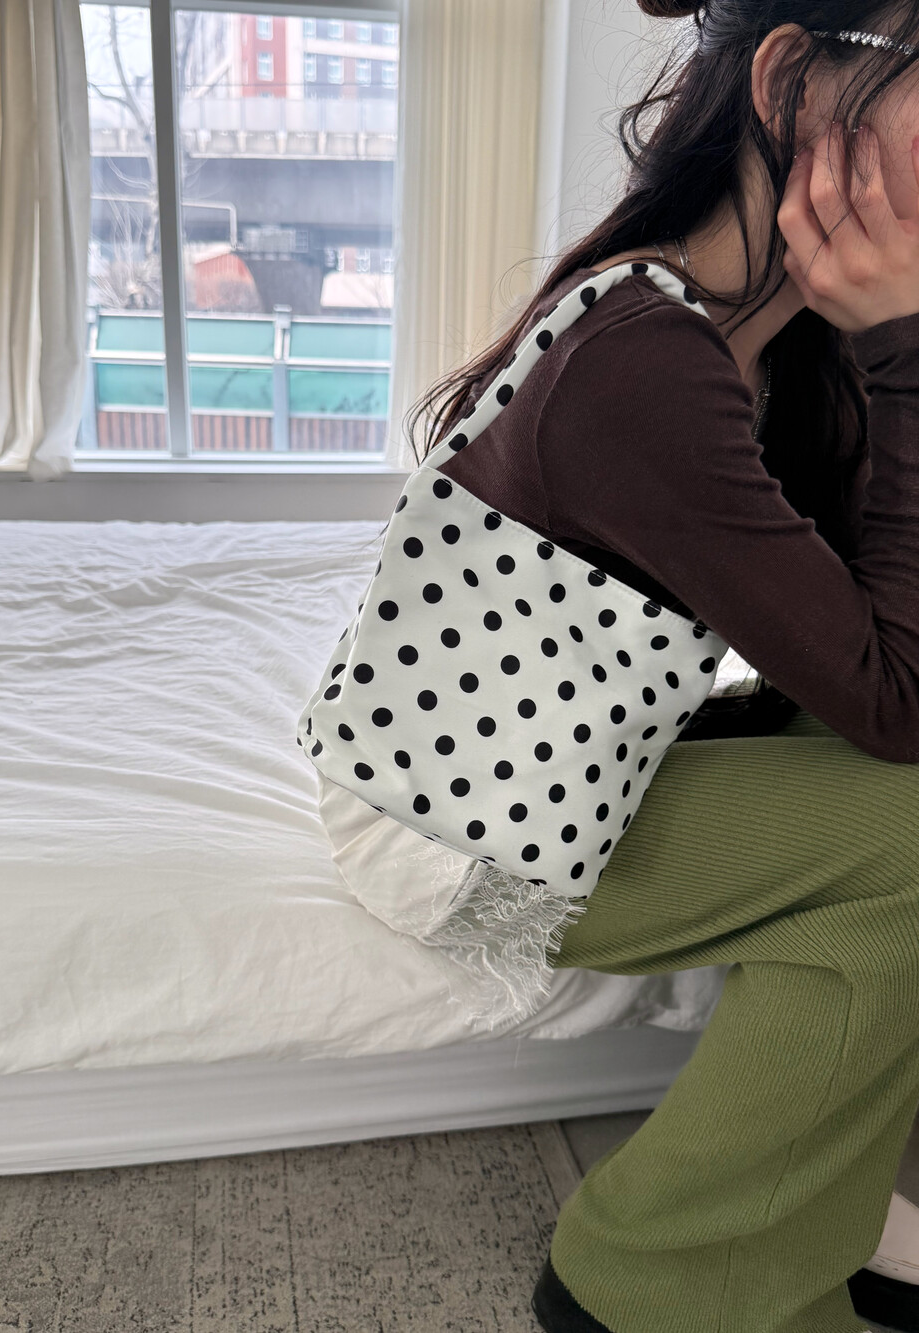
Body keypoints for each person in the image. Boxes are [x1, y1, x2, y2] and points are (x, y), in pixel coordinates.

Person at [395, 2, 919, 1330]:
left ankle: (808, 1202)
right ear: (792, 82)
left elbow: (870, 637)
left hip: (578, 755)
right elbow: (900, 698)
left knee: (867, 829)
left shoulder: (770, 335)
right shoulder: (643, 364)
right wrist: (907, 353)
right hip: (476, 829)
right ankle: (650, 1274)